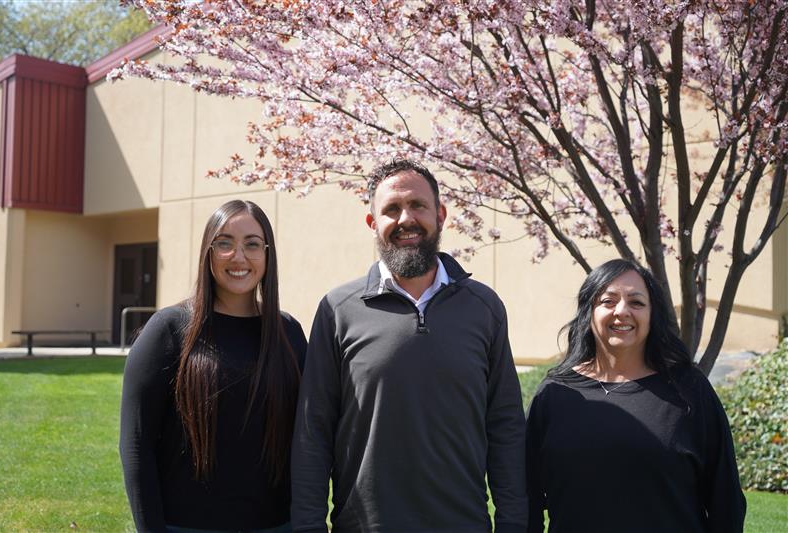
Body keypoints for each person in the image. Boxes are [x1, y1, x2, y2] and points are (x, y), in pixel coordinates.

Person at [291, 159, 528, 533]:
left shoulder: (484, 308)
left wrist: (514, 522)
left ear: (441, 214)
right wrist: (308, 525)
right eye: (391, 210)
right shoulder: (338, 309)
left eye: (418, 205)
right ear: (373, 224)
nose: (406, 220)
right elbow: (313, 429)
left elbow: (506, 425)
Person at [120, 200, 307, 533]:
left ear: (267, 254)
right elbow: (137, 444)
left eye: (252, 244)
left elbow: (307, 436)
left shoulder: (287, 332)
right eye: (224, 243)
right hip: (186, 525)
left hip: (278, 525)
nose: (238, 257)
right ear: (208, 252)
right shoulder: (168, 330)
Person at [525, 259, 746, 533]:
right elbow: (527, 495)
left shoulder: (689, 390)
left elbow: (726, 499)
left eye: (636, 303)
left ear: (653, 315)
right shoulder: (555, 393)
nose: (622, 311)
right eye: (608, 301)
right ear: (589, 312)